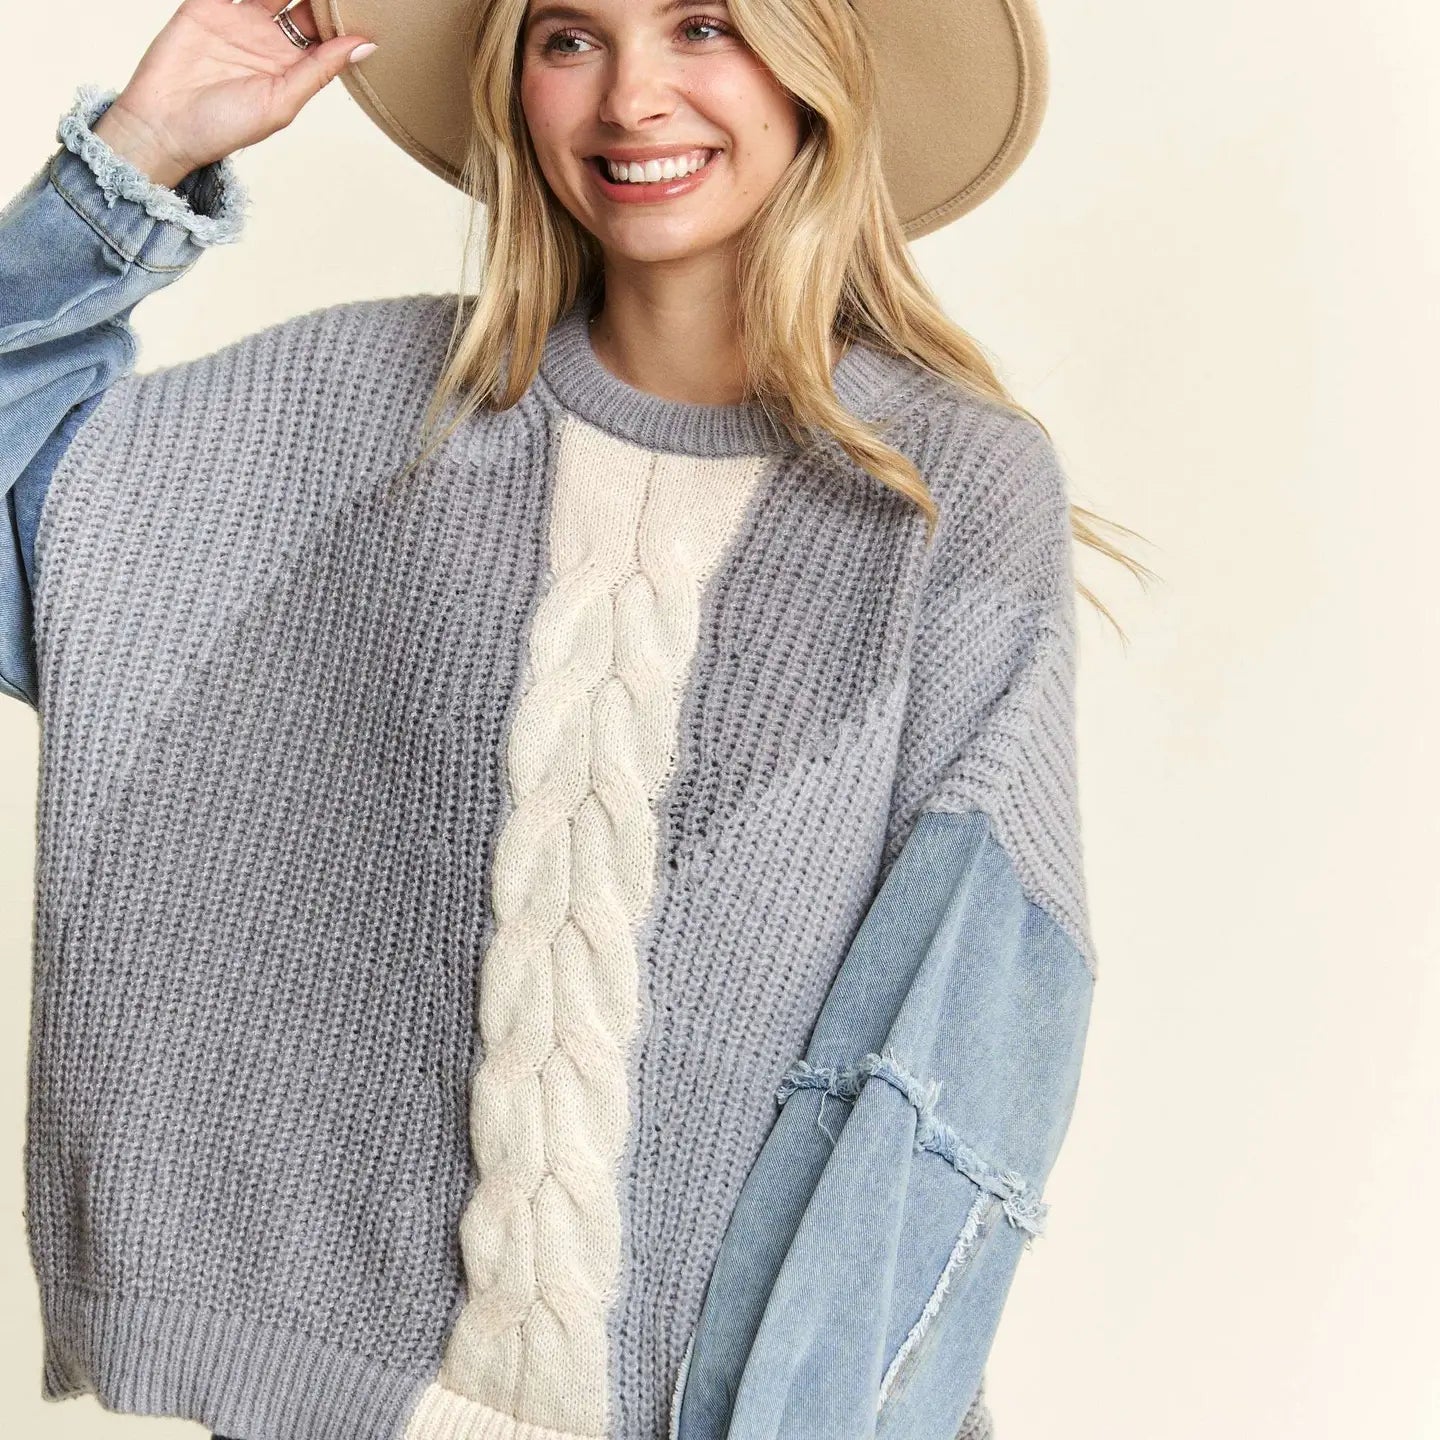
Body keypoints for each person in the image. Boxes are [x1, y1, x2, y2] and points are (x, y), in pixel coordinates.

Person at [0, 1, 1129, 1437]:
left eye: (703, 25)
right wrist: (137, 157)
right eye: (570, 37)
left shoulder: (945, 493)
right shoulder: (368, 418)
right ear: (513, 80)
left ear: (813, 66)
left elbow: (966, 1026)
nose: (632, 98)